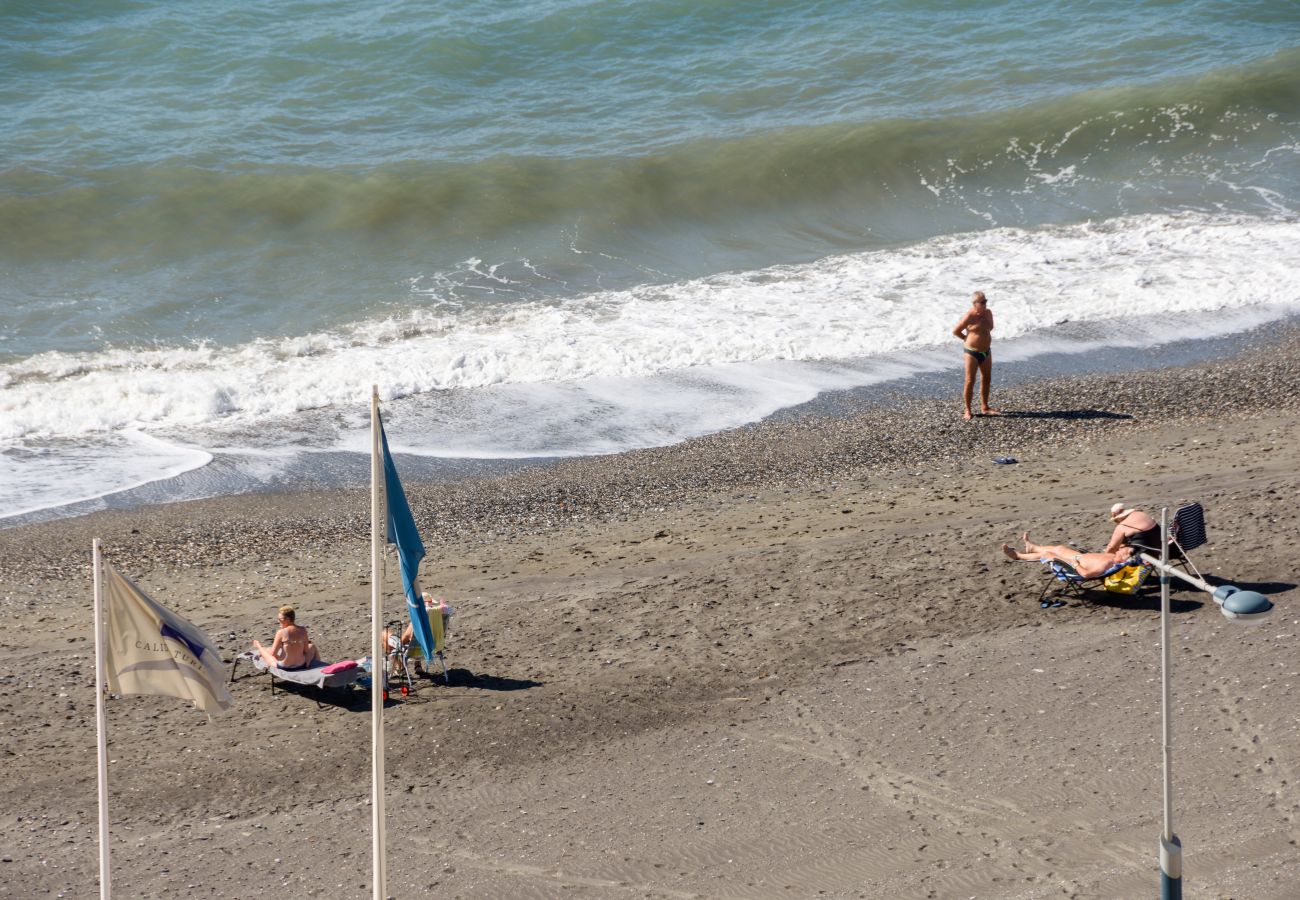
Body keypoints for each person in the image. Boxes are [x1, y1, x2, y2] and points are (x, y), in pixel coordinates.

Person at [952, 290, 1001, 420]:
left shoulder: (988, 313)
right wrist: (966, 338)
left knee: (986, 378)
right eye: (982, 302)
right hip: (971, 352)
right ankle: (967, 410)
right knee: (970, 381)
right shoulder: (969, 316)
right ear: (974, 304)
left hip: (986, 351)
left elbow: (989, 328)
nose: (985, 304)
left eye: (986, 301)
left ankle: (985, 407)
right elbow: (956, 331)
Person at [1002, 533, 1134, 578]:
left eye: (1124, 551)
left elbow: (1086, 574)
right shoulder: (1114, 557)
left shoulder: (1107, 563)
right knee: (1060, 548)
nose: (1121, 549)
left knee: (1049, 554)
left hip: (1074, 565)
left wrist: (1076, 564)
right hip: (1079, 557)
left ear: (1124, 558)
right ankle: (1032, 547)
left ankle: (1017, 556)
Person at [252, 605, 320, 670]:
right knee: (312, 646)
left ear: (287, 619)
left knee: (265, 651)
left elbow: (273, 654)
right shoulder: (303, 630)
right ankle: (316, 665)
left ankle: (258, 646)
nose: (278, 621)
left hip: (285, 666)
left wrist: (260, 647)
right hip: (301, 665)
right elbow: (306, 651)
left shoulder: (281, 632)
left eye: (280, 619)